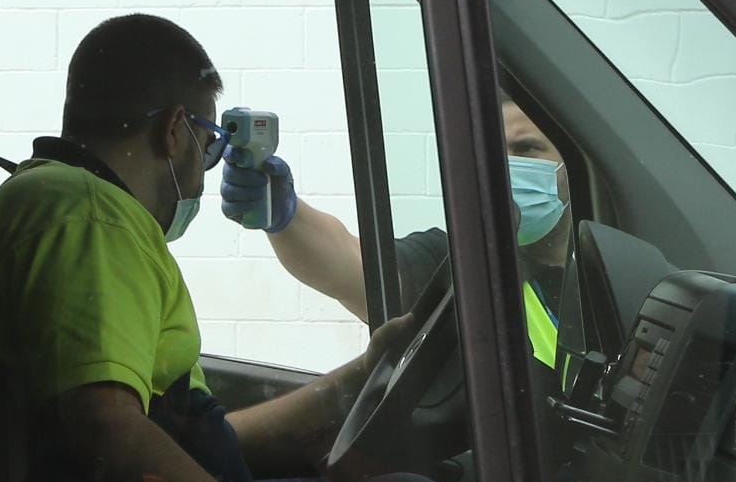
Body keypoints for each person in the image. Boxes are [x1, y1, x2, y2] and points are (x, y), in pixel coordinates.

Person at [0, 14, 418, 482]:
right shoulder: (89, 220)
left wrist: (356, 377)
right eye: (208, 147)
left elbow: (185, 437)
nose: (205, 176)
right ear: (175, 131)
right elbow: (109, 433)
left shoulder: (70, 205)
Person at [220, 98, 571, 367]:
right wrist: (287, 216)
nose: (505, 167)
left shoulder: (606, 270)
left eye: (526, 149)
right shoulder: (455, 262)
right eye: (493, 153)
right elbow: (352, 267)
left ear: (569, 166)